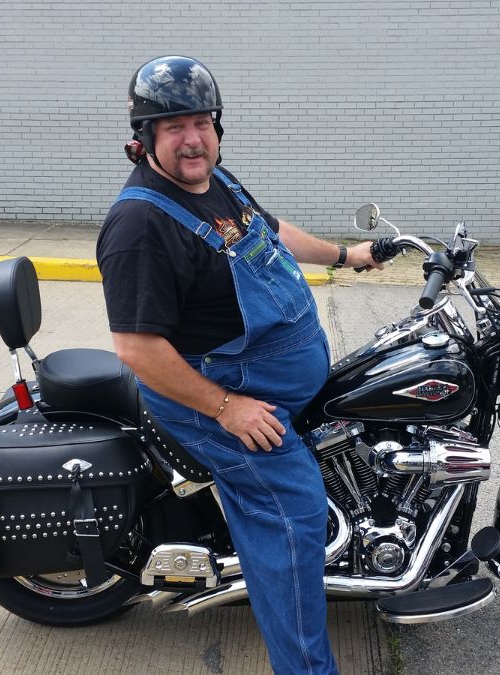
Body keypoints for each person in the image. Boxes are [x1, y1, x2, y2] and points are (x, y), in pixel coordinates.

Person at [96, 55, 381, 675]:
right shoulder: (140, 224)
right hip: (217, 397)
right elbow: (137, 350)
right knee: (294, 515)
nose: (191, 139)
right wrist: (227, 409)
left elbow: (271, 232)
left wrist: (346, 255)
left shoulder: (215, 182)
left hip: (260, 379)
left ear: (217, 128)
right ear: (145, 137)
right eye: (174, 127)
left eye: (201, 122)